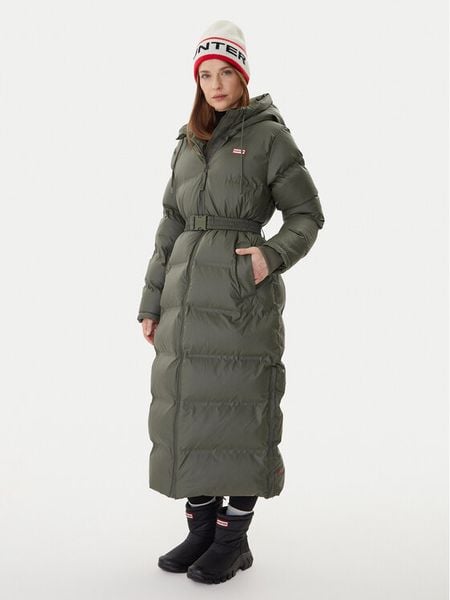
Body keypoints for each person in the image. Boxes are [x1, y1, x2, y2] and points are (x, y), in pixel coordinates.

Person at [137, 20, 325, 584]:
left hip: (242, 302)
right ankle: (201, 530)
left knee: (241, 415)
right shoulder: (187, 142)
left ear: (243, 76)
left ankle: (232, 538)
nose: (216, 84)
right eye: (206, 75)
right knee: (189, 414)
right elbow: (170, 224)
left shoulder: (269, 137)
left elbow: (307, 215)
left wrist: (269, 256)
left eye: (226, 72)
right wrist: (151, 301)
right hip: (184, 302)